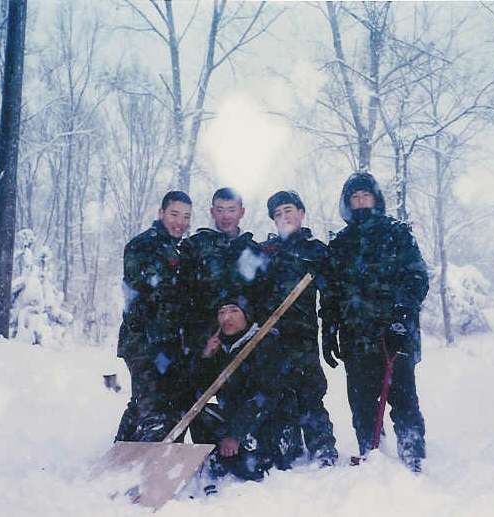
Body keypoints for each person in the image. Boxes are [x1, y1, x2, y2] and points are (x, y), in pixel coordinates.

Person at [320, 172, 429, 473]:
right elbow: (330, 292)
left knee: (404, 401)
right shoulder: (340, 244)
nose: (360, 202)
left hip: (395, 337)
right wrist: (329, 330)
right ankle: (372, 455)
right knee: (362, 405)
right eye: (354, 198)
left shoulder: (397, 234)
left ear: (376, 199)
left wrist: (401, 316)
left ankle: (413, 457)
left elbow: (417, 276)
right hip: (356, 339)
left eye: (365, 196)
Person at [260, 191, 338, 466]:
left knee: (310, 391)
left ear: (301, 212)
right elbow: (250, 292)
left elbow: (331, 296)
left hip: (303, 336)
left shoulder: (315, 251)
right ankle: (286, 446)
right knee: (278, 392)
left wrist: (330, 331)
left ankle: (321, 446)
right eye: (277, 214)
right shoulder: (265, 252)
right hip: (270, 337)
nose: (283, 218)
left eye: (288, 211)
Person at [191, 296, 302, 484]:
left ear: (247, 316)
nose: (226, 318)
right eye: (221, 312)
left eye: (234, 311)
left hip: (271, 421)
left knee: (250, 467)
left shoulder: (266, 343)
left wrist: (236, 435)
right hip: (238, 418)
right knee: (196, 413)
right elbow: (201, 390)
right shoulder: (221, 348)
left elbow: (266, 397)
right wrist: (206, 357)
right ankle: (221, 455)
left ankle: (246, 454)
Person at [114, 191, 193, 442]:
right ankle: (151, 470)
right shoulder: (143, 245)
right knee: (153, 410)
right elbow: (142, 295)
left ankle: (122, 450)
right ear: (161, 213)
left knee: (148, 404)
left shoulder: (180, 250)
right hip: (144, 341)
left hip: (169, 343)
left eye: (186, 216)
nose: (179, 221)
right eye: (174, 214)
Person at [179, 188, 266, 355]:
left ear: (242, 212)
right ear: (212, 212)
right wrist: (198, 340)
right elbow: (183, 296)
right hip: (205, 342)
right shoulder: (194, 248)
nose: (226, 216)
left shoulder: (254, 250)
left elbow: (262, 297)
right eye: (220, 210)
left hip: (246, 344)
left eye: (231, 210)